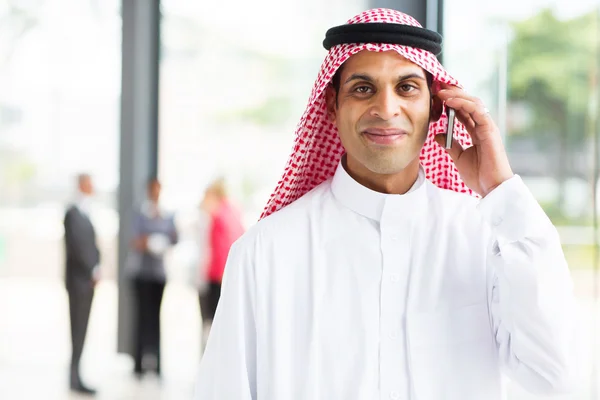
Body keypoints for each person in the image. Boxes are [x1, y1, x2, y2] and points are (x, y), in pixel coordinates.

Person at [194, 8, 578, 400]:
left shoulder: (486, 236)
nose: (386, 108)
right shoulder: (265, 252)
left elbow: (555, 377)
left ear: (435, 108)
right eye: (363, 88)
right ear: (331, 105)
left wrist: (499, 189)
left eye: (407, 87)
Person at [128, 178, 178, 377]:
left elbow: (174, 238)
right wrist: (149, 241)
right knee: (141, 317)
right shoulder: (141, 213)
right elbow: (135, 240)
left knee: (156, 318)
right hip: (141, 273)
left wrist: (159, 241)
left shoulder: (167, 215)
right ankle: (138, 364)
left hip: (158, 274)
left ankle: (155, 364)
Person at [197, 178, 245, 352]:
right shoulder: (234, 211)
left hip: (216, 277)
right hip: (227, 275)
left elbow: (217, 249)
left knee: (211, 324)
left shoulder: (218, 215)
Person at [63, 173, 100, 395]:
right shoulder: (73, 213)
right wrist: (92, 268)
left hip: (86, 282)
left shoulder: (86, 213)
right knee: (76, 330)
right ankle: (74, 377)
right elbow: (79, 248)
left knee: (82, 330)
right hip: (78, 282)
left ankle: (77, 375)